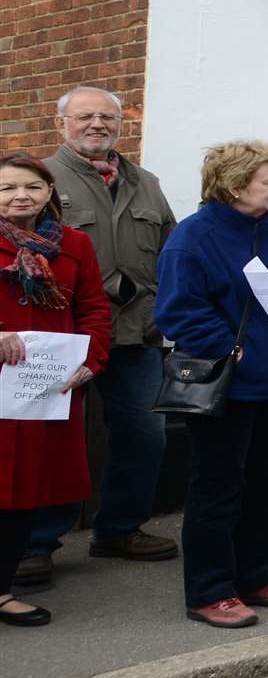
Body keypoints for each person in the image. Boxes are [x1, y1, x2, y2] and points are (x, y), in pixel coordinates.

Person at [158, 140, 268, 628]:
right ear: (234, 185)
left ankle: (255, 575)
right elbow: (178, 312)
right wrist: (226, 345)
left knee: (264, 485)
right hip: (227, 386)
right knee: (218, 488)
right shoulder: (193, 238)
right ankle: (210, 591)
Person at [22, 88, 177, 588]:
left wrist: (166, 313)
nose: (97, 124)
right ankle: (36, 543)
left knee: (145, 436)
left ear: (121, 124)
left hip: (136, 333)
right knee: (52, 439)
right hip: (62, 336)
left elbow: (171, 254)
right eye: (84, 116)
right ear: (61, 123)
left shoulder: (146, 182)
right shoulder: (40, 180)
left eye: (107, 116)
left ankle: (118, 528)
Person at [0, 153, 111, 628]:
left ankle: (3, 590)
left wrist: (91, 362)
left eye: (31, 186)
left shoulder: (75, 244)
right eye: (7, 188)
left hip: (45, 390)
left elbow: (93, 309)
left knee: (27, 491)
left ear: (49, 193)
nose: (20, 195)